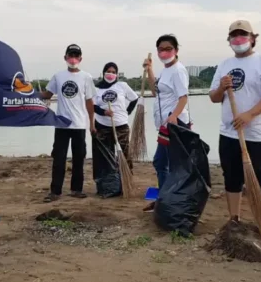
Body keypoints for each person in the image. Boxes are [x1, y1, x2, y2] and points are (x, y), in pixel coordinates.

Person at [209, 20, 261, 222]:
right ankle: (234, 219)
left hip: (256, 134)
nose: (238, 39)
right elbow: (214, 98)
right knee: (231, 177)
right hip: (229, 132)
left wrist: (249, 114)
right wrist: (221, 88)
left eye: (243, 35)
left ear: (253, 38)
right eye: (234, 35)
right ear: (229, 40)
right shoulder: (225, 65)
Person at [40, 44, 96, 202]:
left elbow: (90, 102)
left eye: (76, 55)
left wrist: (92, 123)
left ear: (80, 58)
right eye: (70, 55)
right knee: (59, 159)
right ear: (65, 57)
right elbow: (47, 94)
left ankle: (76, 189)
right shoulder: (58, 76)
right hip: (61, 124)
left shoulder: (86, 77)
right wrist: (29, 93)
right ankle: (55, 191)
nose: (73, 58)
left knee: (79, 158)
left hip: (79, 125)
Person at [143, 34, 190, 212]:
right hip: (164, 126)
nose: (164, 52)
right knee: (162, 163)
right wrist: (149, 70)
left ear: (176, 50)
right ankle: (164, 198)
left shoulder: (178, 70)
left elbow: (183, 97)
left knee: (164, 162)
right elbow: (156, 91)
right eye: (161, 49)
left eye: (168, 49)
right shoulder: (166, 71)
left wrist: (174, 116)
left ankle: (167, 200)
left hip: (175, 126)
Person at [92, 62, 139, 194]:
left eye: (113, 72)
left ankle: (126, 182)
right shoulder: (97, 89)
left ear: (117, 74)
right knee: (106, 157)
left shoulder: (122, 86)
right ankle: (108, 185)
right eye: (108, 71)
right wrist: (103, 112)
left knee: (124, 154)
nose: (111, 74)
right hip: (102, 126)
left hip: (121, 126)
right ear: (103, 73)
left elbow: (134, 98)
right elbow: (92, 106)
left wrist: (127, 111)